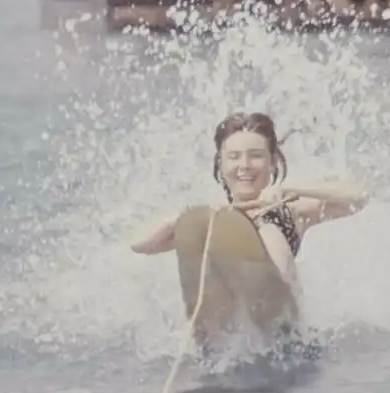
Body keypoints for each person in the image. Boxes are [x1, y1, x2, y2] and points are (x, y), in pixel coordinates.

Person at [130, 112, 367, 292]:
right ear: (221, 165)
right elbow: (140, 244)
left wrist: (289, 189)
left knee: (269, 228)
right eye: (234, 157)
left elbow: (358, 197)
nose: (244, 165)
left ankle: (276, 293)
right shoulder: (211, 218)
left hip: (283, 326)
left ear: (272, 162)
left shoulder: (292, 209)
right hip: (229, 310)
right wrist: (185, 217)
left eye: (255, 156)